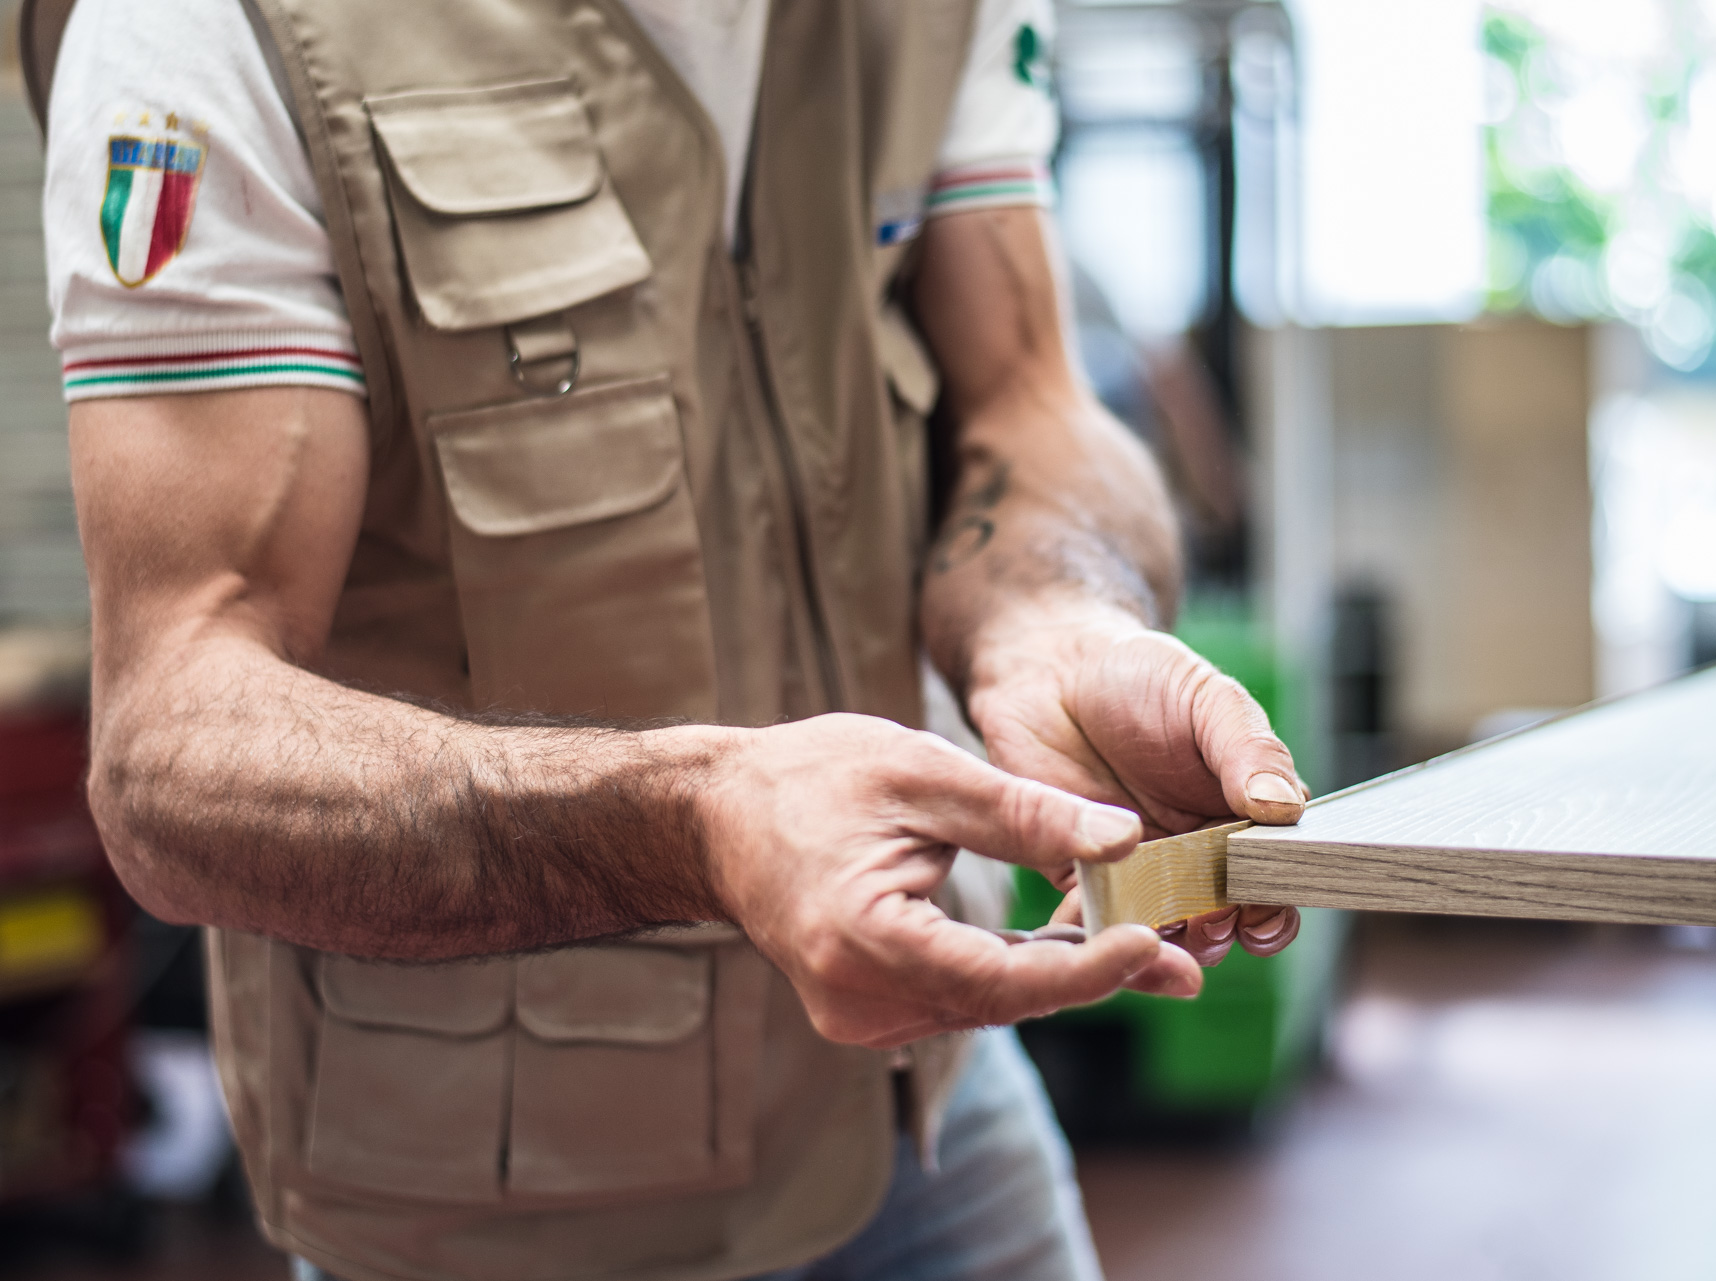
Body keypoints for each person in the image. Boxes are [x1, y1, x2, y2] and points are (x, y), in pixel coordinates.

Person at [30, 1, 1308, 1278]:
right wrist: (697, 820)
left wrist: (1050, 619)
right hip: (502, 1204)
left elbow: (1030, 399)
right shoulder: (208, 26)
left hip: (921, 1111)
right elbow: (170, 748)